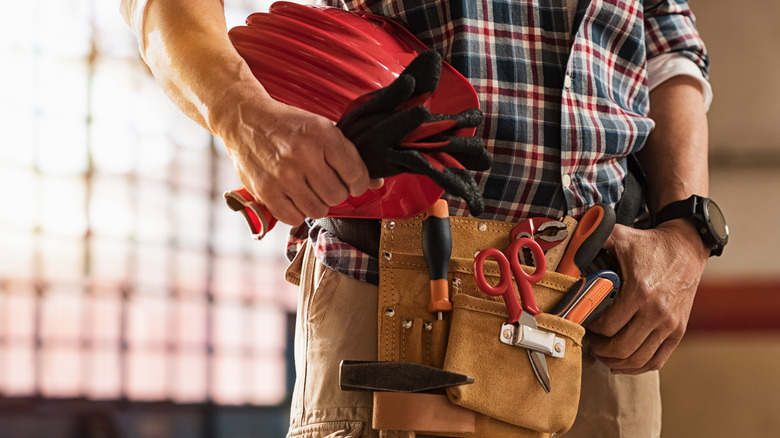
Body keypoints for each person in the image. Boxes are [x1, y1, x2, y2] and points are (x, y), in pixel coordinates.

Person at [121, 0, 715, 436]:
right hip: (390, 298)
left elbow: (668, 44)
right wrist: (243, 117)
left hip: (603, 318)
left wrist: (688, 231)